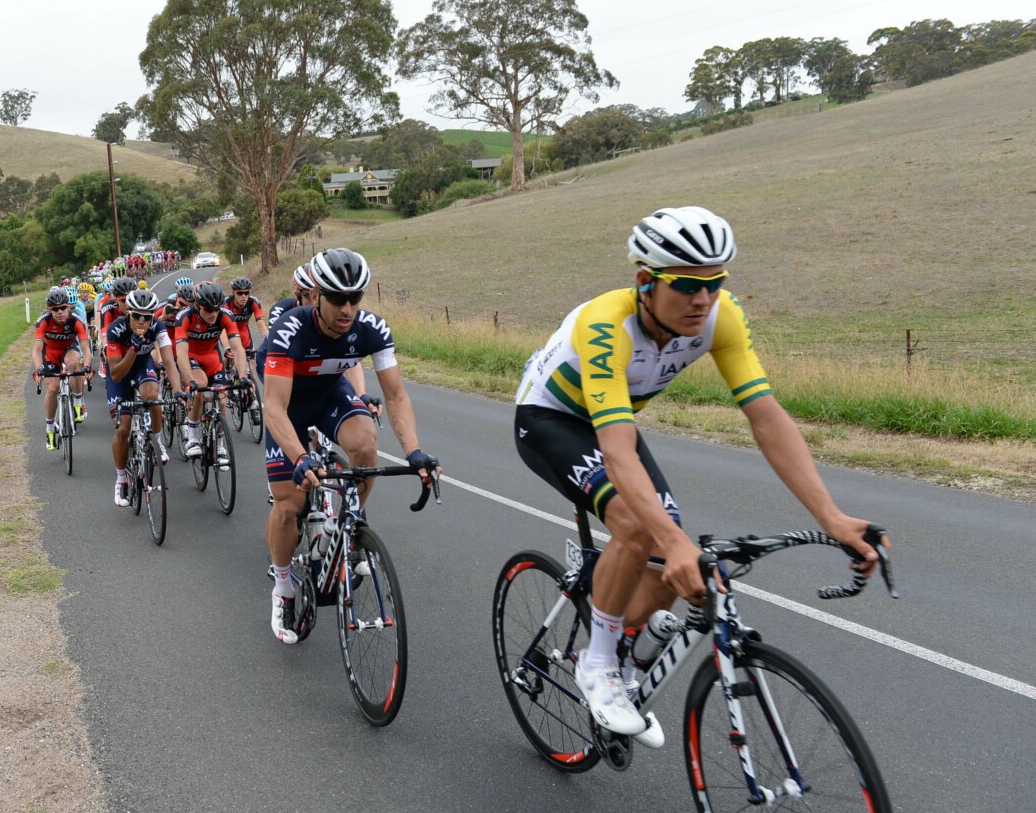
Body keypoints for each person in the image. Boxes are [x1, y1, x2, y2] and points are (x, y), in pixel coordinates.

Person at [513, 206, 888, 747]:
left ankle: (620, 649)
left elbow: (766, 417)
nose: (703, 299)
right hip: (551, 419)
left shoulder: (719, 317)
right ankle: (596, 664)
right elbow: (616, 453)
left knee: (670, 563)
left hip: (614, 418)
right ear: (645, 281)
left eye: (716, 283)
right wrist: (669, 539)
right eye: (688, 285)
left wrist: (832, 517)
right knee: (642, 529)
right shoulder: (606, 324)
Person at [261, 248, 438, 644]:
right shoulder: (289, 329)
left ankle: (346, 527)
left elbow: (395, 396)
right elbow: (273, 407)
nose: (347, 309)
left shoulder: (372, 328)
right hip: (287, 403)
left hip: (328, 393)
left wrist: (414, 452)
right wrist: (300, 457)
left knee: (365, 445)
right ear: (316, 296)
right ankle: (283, 587)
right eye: (338, 299)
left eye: (355, 298)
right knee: (289, 503)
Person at [105, 288, 181, 504]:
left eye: (147, 317)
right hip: (120, 370)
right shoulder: (116, 329)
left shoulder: (158, 327)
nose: (141, 321)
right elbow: (116, 374)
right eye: (137, 315)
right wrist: (132, 349)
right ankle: (121, 479)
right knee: (123, 429)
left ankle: (157, 441)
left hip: (143, 366)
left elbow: (169, 362)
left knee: (152, 396)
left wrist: (178, 391)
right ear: (128, 313)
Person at [172, 281, 250, 458]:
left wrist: (243, 376)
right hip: (191, 357)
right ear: (197, 306)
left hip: (212, 359)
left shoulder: (225, 316)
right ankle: (193, 436)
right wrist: (189, 380)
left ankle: (220, 444)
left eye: (216, 309)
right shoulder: (185, 317)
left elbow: (238, 348)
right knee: (200, 386)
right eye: (208, 310)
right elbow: (181, 354)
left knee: (222, 400)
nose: (213, 314)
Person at [31, 288, 92, 450]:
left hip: (69, 349)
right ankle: (50, 429)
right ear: (49, 310)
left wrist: (87, 366)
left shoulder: (76, 320)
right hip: (49, 353)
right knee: (53, 389)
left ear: (68, 308)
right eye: (56, 309)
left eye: (63, 308)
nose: (60, 312)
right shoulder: (43, 321)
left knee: (74, 364)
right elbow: (36, 350)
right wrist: (39, 369)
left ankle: (78, 403)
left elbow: (86, 348)